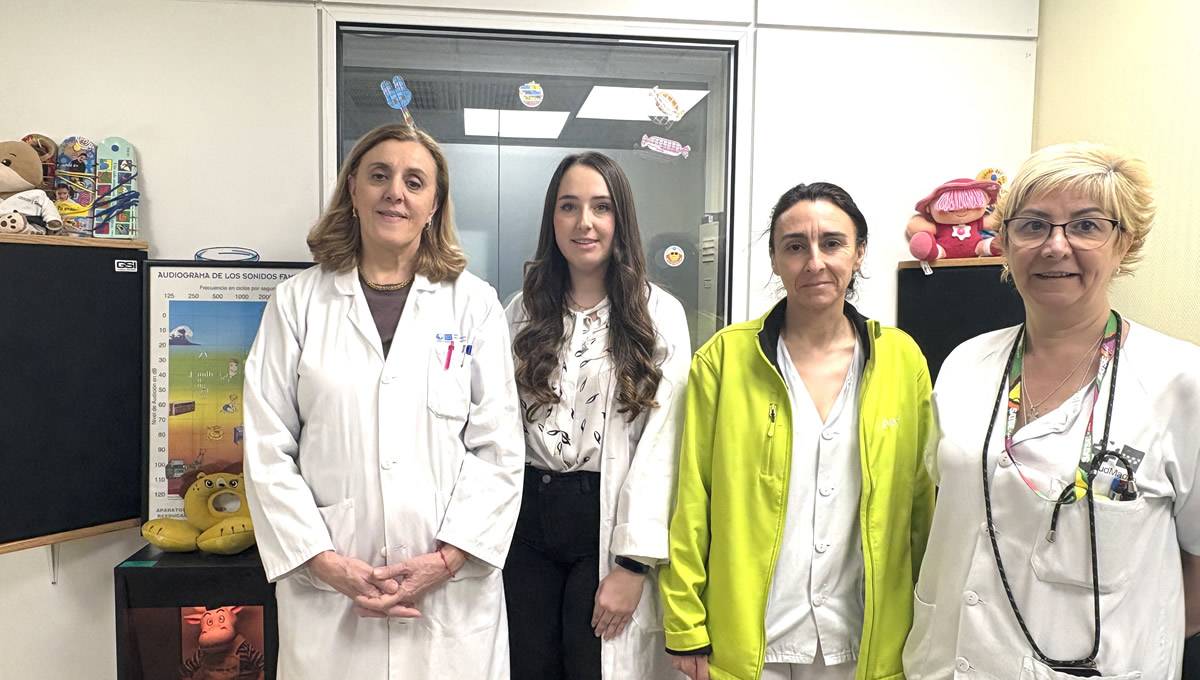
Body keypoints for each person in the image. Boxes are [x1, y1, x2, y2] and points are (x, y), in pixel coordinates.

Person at [903, 142, 1200, 679]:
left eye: (1086, 226)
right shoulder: (965, 363)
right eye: (1033, 225)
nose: (1055, 245)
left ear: (1124, 243)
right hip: (948, 660)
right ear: (1006, 242)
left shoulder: (1180, 381)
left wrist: (1133, 642)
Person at [242, 123, 524, 679]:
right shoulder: (297, 304)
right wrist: (325, 563)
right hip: (332, 592)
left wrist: (446, 561)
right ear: (353, 189)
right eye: (379, 176)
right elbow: (267, 447)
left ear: (434, 204)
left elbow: (498, 448)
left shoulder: (474, 306)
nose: (396, 192)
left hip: (448, 598)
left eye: (414, 182)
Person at [661, 182, 936, 680]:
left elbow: (921, 506)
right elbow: (692, 498)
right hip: (751, 643)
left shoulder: (901, 360)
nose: (814, 262)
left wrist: (929, 625)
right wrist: (685, 624)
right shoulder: (725, 359)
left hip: (861, 641)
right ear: (774, 259)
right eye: (794, 246)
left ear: (859, 252)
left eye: (832, 243)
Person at [504, 151, 691, 680]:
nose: (584, 222)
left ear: (620, 219)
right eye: (569, 206)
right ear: (552, 219)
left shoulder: (658, 315)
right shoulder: (520, 311)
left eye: (600, 207)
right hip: (526, 524)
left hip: (603, 525)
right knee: (527, 668)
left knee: (594, 667)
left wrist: (632, 565)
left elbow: (665, 444)